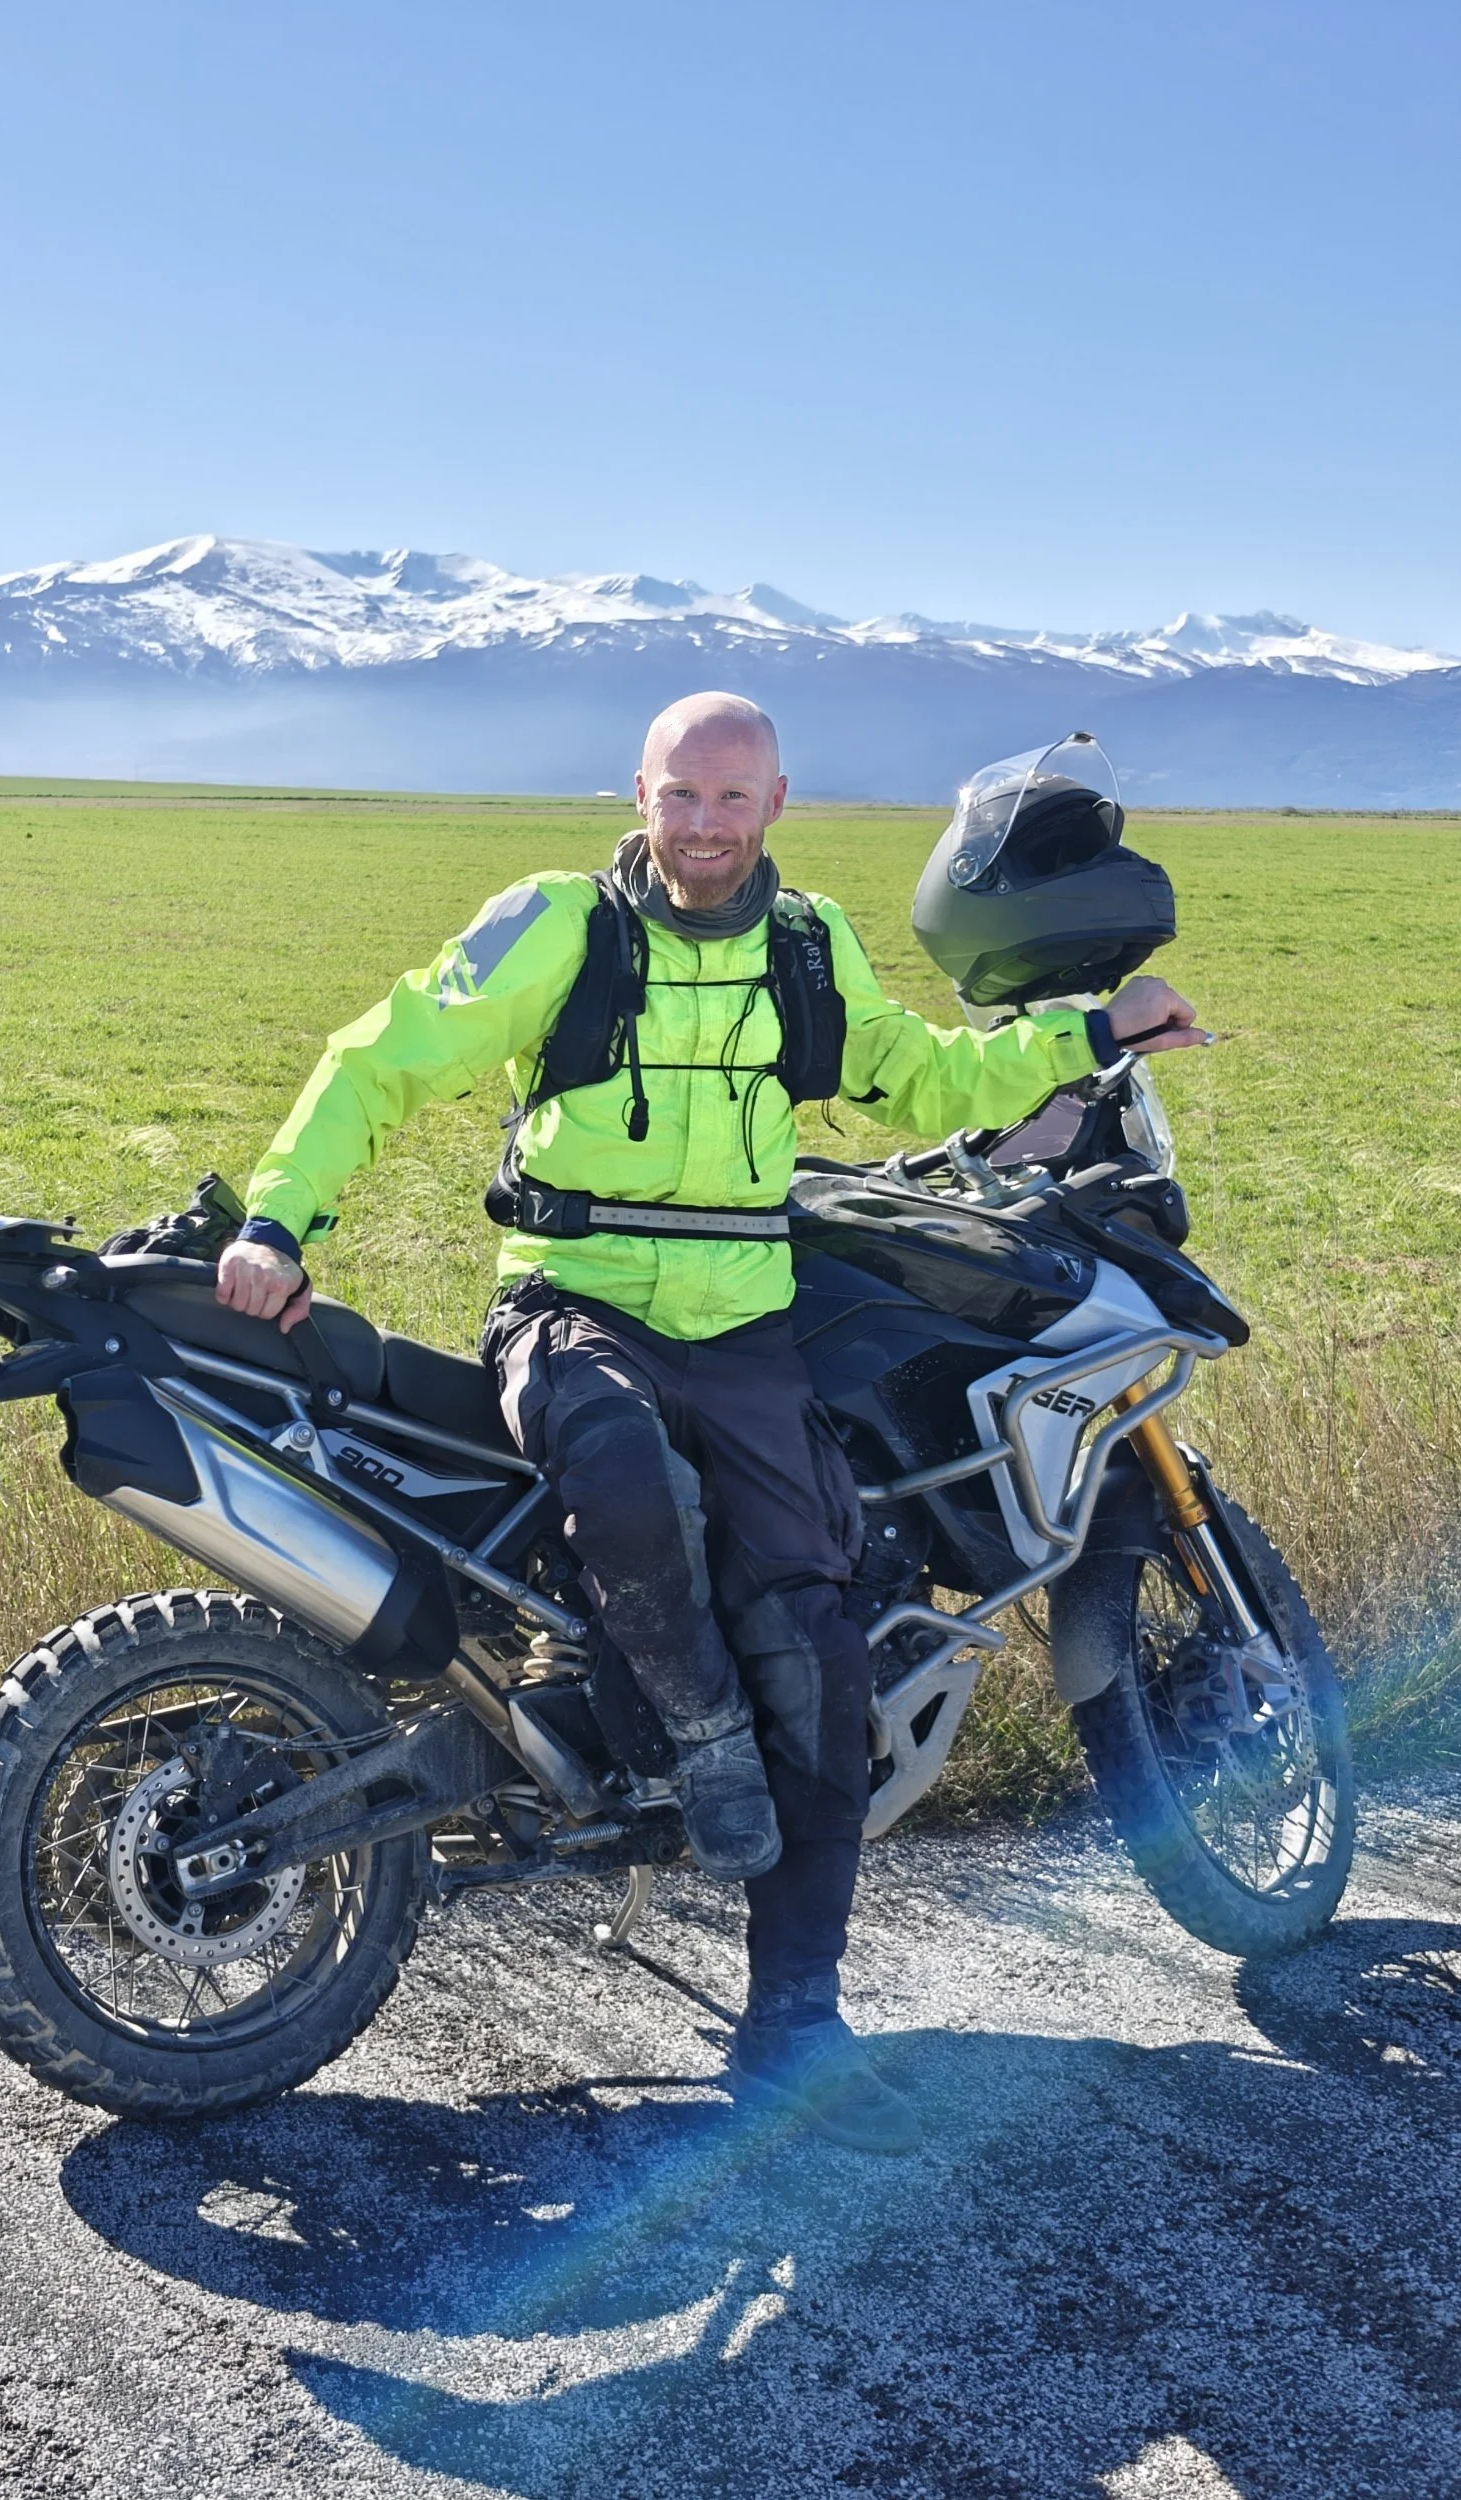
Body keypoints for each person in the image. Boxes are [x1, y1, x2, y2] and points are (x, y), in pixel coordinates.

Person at [217, 693, 1203, 2153]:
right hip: (575, 1302)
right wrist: (278, 1219)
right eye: (681, 795)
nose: (703, 825)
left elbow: (926, 1076)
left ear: (775, 804)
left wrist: (1089, 1031)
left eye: (731, 798)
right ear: (640, 793)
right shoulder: (561, 925)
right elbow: (384, 1054)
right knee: (618, 1468)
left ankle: (795, 2027)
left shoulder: (807, 945)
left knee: (818, 1644)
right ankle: (701, 1741)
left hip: (743, 1329)